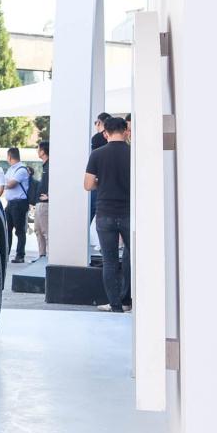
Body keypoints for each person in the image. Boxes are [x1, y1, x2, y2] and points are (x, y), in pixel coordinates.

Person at [84, 116, 131, 313]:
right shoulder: (134, 153)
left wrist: (101, 182)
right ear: (126, 131)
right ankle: (128, 300)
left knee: (109, 262)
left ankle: (115, 305)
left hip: (105, 213)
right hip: (129, 213)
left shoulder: (97, 154)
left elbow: (88, 185)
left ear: (105, 133)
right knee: (131, 257)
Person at [3, 147, 30, 263]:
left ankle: (20, 255)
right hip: (10, 203)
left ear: (9, 157)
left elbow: (10, 184)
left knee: (19, 231)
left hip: (19, 203)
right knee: (7, 230)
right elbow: (5, 182)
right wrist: (5, 183)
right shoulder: (11, 169)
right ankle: (5, 254)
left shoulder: (21, 169)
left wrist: (3, 184)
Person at [33, 141, 50, 261]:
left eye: (38, 149)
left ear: (43, 151)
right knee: (38, 230)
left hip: (45, 205)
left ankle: (50, 257)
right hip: (39, 203)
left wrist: (49, 196)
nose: (37, 151)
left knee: (46, 231)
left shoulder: (50, 165)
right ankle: (42, 256)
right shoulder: (44, 166)